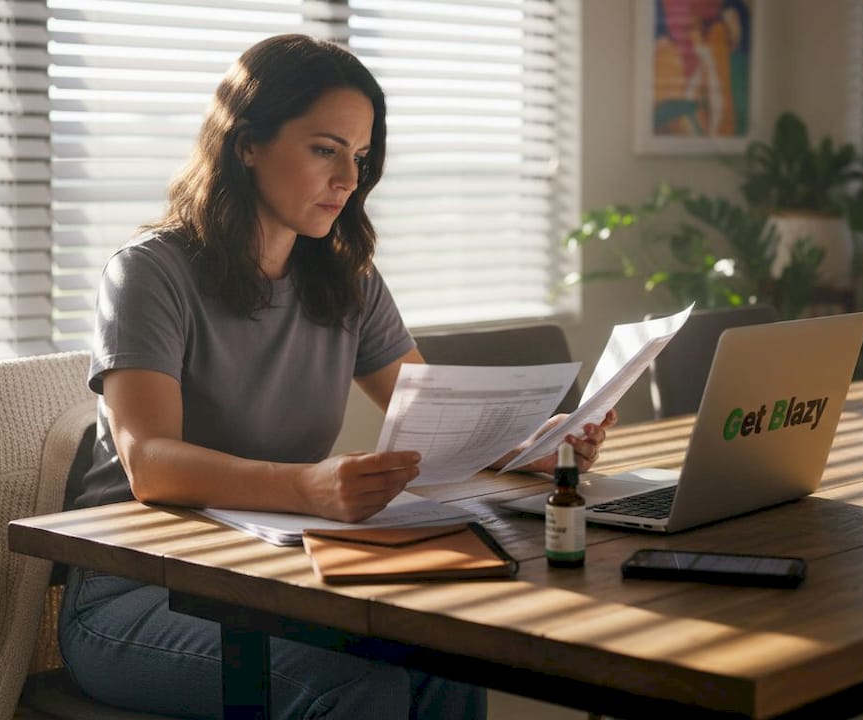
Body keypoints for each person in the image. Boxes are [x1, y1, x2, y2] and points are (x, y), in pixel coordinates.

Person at [59, 33, 617, 719]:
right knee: (359, 686)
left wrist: (540, 445)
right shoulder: (149, 273)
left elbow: (430, 417)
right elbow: (150, 464)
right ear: (246, 143)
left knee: (450, 653)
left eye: (359, 157)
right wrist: (309, 487)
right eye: (325, 149)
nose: (349, 180)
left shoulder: (346, 279)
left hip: (269, 576)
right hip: (136, 593)